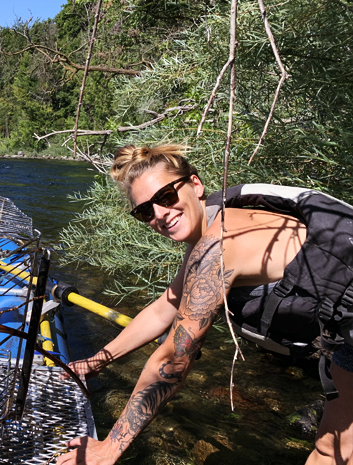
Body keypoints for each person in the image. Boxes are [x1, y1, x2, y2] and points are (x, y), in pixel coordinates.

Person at [57, 144, 353, 465]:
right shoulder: (215, 222)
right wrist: (93, 363)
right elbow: (163, 308)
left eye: (166, 196)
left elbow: (174, 358)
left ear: (195, 185)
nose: (159, 214)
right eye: (145, 211)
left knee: (331, 451)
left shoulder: (217, 246)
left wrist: (109, 448)